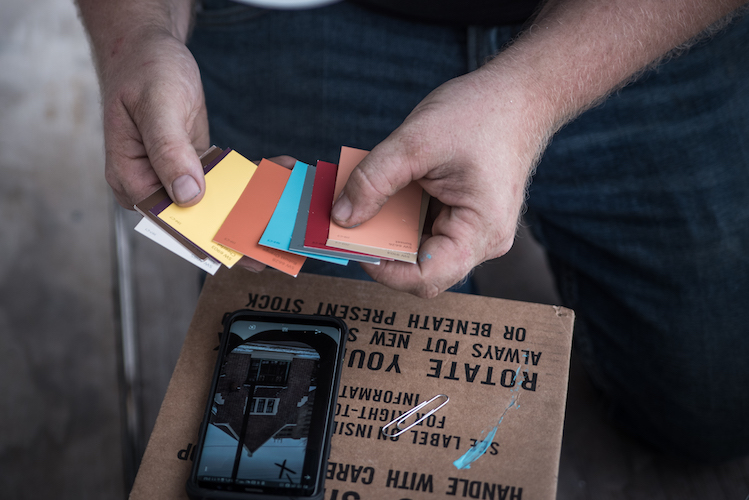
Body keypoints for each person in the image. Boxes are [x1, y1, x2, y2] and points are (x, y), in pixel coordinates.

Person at [77, 0, 749, 462]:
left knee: (710, 416)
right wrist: (136, 32)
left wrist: (531, 98)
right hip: (300, 20)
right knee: (311, 433)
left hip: (629, 22)